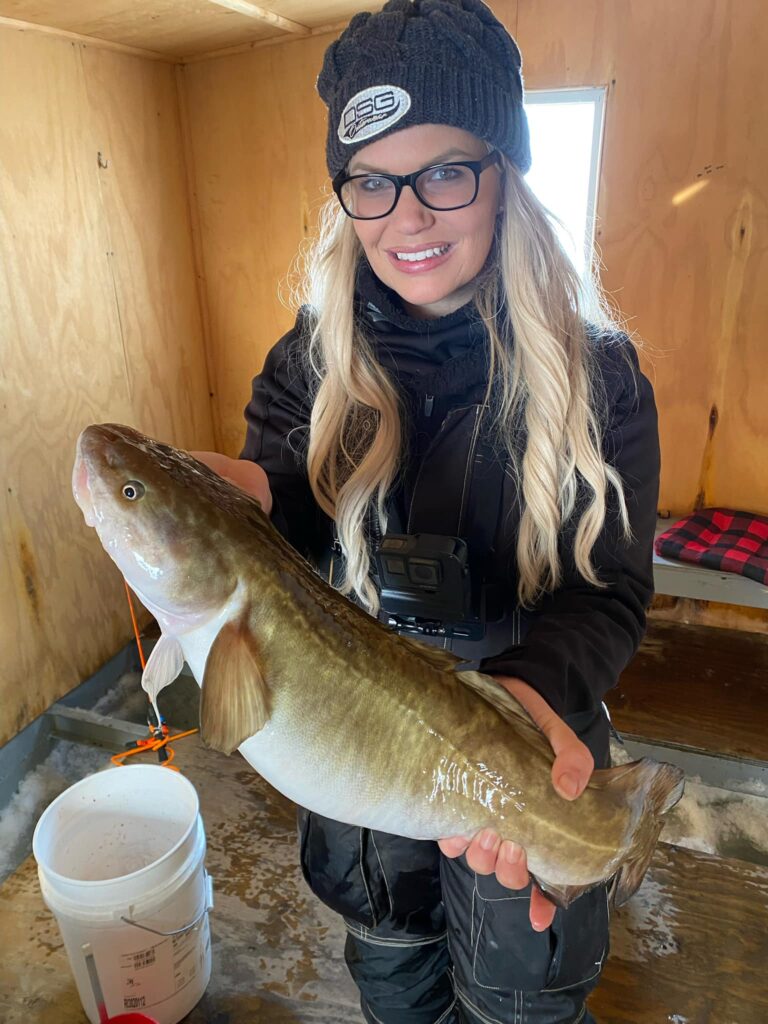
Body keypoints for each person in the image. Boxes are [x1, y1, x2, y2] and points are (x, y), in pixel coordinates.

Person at [194, 1, 660, 1021]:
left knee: (519, 994)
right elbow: (294, 523)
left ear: (505, 174)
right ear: (344, 194)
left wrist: (530, 694)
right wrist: (258, 500)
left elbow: (611, 594)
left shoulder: (605, 381)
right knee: (393, 972)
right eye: (371, 180)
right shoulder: (306, 362)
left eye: (445, 171)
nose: (407, 217)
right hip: (362, 751)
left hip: (528, 743)